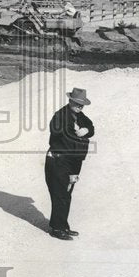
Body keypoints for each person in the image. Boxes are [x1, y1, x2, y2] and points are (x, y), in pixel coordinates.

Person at [45, 87, 95, 241]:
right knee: (60, 194)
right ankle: (57, 229)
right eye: (77, 103)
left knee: (66, 194)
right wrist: (80, 137)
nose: (80, 107)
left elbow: (91, 127)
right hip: (58, 160)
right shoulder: (60, 116)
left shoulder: (79, 115)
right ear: (70, 101)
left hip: (71, 161)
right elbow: (66, 138)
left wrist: (85, 130)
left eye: (82, 105)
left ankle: (62, 225)